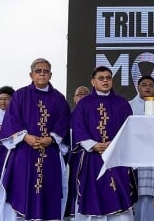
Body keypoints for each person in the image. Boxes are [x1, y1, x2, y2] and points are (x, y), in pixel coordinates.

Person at [0, 58, 70, 221]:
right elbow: (12, 118)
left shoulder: (59, 98)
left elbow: (63, 121)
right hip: (24, 153)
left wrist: (51, 138)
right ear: (31, 74)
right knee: (21, 192)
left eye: (46, 71)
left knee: (49, 195)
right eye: (38, 71)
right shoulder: (20, 95)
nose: (42, 74)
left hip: (50, 154)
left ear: (51, 75)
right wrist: (25, 136)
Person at [72, 66, 135, 220]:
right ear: (93, 82)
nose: (105, 80)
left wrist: (114, 144)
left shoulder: (122, 103)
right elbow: (78, 126)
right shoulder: (84, 104)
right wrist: (93, 145)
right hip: (92, 158)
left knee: (120, 199)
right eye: (101, 78)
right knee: (92, 198)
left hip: (116, 157)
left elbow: (130, 127)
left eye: (108, 77)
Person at [129, 75, 154, 221]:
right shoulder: (130, 105)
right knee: (139, 194)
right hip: (138, 157)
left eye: (151, 85)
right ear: (138, 87)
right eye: (144, 84)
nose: (148, 87)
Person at [65, 85, 90, 221]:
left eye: (86, 94)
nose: (82, 96)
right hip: (74, 157)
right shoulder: (69, 116)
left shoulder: (94, 114)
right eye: (79, 94)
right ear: (74, 99)